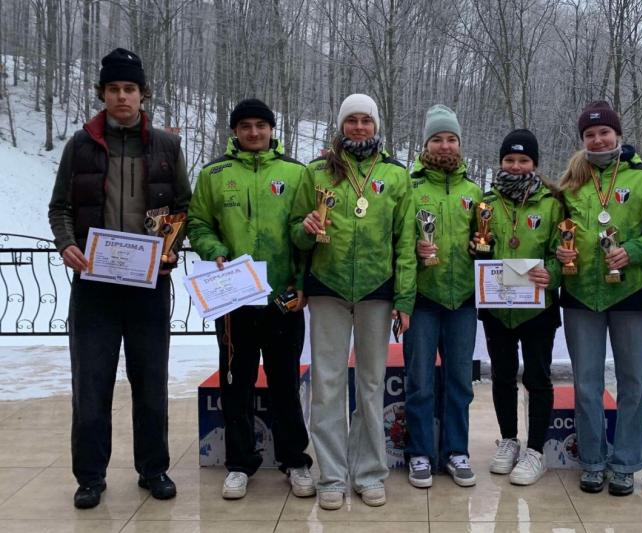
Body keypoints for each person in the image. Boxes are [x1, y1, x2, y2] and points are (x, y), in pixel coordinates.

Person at [48, 48, 191, 509]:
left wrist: (172, 245)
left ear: (143, 94)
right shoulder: (80, 144)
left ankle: (154, 469)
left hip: (150, 284)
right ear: (102, 94)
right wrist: (66, 243)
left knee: (151, 381)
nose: (122, 96)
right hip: (94, 287)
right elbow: (60, 208)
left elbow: (184, 208)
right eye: (114, 89)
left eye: (130, 89)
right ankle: (90, 476)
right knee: (91, 383)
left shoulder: (167, 146)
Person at [290, 94, 416, 510]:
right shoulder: (316, 172)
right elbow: (295, 234)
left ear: (376, 125)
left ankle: (369, 472)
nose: (359, 127)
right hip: (327, 287)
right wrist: (307, 229)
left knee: (371, 384)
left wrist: (404, 298)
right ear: (341, 125)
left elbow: (406, 242)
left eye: (366, 120)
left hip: (377, 291)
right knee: (326, 383)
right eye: (352, 121)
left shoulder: (396, 175)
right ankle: (331, 474)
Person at [187, 98, 314, 500]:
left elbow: (304, 230)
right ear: (234, 132)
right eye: (246, 126)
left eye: (261, 125)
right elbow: (198, 222)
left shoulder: (296, 173)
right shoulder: (213, 174)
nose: (254, 132)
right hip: (232, 302)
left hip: (281, 300)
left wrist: (300, 282)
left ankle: (295, 460)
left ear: (272, 129)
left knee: (285, 385)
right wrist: (213, 249)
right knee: (235, 384)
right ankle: (240, 464)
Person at [556, 101, 642, 496]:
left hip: (630, 293)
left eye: (604, 132)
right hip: (581, 294)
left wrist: (632, 251)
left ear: (618, 134)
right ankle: (593, 460)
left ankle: (625, 462)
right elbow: (558, 233)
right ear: (582, 140)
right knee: (585, 383)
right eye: (590, 134)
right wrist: (560, 252)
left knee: (633, 382)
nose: (598, 139)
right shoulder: (571, 183)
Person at [478, 129, 563, 486]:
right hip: (498, 306)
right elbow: (479, 249)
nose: (515, 166)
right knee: (501, 374)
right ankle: (509, 440)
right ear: (501, 162)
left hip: (536, 306)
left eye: (523, 160)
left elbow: (564, 252)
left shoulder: (552, 203)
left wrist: (553, 274)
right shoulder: (486, 203)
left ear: (535, 163)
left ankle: (536, 451)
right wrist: (477, 250)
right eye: (509, 160)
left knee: (537, 378)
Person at [404, 105, 481, 489]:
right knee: (419, 380)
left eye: (451, 139)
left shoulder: (474, 190)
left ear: (460, 144)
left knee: (459, 381)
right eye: (438, 139)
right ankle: (419, 452)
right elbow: (395, 241)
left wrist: (483, 246)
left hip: (462, 299)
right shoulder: (410, 186)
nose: (445, 145)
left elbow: (488, 239)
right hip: (421, 297)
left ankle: (456, 451)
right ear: (426, 144)